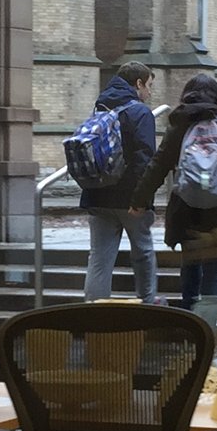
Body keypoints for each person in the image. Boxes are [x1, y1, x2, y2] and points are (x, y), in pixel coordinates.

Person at [135, 72, 217, 347]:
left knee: (190, 273)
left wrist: (139, 200)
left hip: (188, 212)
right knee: (214, 278)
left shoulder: (180, 126)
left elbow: (158, 165)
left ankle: (189, 338)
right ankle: (206, 341)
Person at [78, 60, 160, 302]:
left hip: (96, 195)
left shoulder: (100, 107)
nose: (149, 92)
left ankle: (94, 309)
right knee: (143, 253)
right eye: (149, 86)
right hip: (129, 199)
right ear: (138, 83)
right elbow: (145, 159)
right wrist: (141, 199)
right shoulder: (140, 112)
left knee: (99, 259)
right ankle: (147, 304)